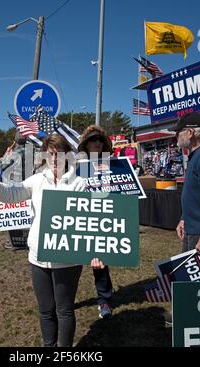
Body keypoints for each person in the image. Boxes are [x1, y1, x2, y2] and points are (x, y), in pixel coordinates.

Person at [0, 135, 85, 347]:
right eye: (50, 153)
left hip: (68, 260)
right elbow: (11, 194)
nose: (54, 158)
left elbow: (89, 222)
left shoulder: (79, 184)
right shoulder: (37, 180)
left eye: (59, 153)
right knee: (45, 309)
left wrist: (96, 253)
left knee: (64, 310)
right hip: (38, 258)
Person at [78, 125, 114, 319]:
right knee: (71, 263)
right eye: (93, 140)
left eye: (100, 140)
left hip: (103, 221)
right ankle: (64, 300)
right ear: (86, 144)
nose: (97, 143)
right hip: (80, 219)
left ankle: (104, 300)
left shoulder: (113, 164)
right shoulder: (76, 166)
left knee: (100, 263)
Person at [169, 112, 200, 255]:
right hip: (192, 229)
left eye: (178, 132)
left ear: (190, 132)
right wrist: (184, 219)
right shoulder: (196, 156)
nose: (176, 136)